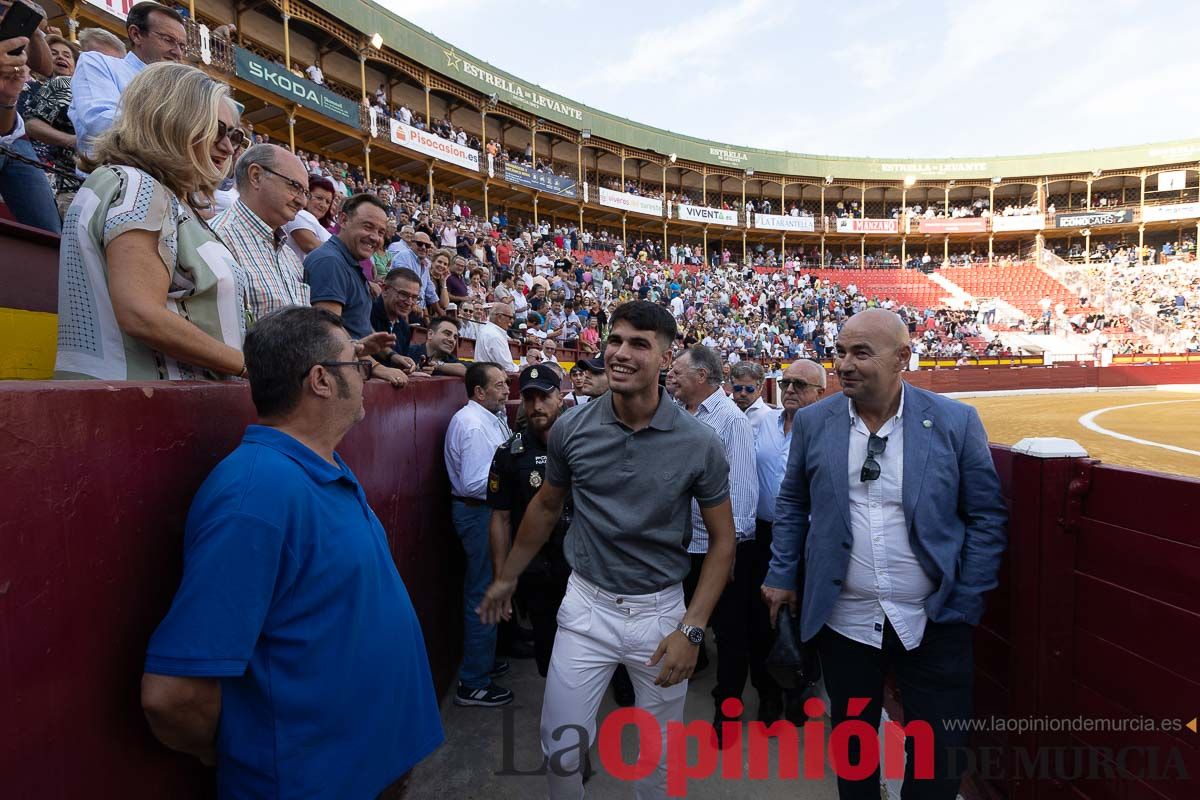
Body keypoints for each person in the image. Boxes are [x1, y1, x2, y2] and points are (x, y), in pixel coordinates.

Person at [140, 306, 444, 798]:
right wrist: (238, 754)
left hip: (362, 764)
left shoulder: (312, 465)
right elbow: (172, 696)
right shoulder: (255, 495)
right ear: (321, 380)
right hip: (311, 780)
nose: (366, 373)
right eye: (355, 363)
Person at [479, 301, 737, 800]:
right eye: (614, 340)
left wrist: (692, 629)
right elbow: (547, 506)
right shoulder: (571, 428)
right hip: (586, 607)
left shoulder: (700, 443)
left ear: (666, 357)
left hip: (661, 615)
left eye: (639, 343)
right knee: (560, 749)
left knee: (658, 764)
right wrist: (508, 575)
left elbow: (723, 541)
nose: (620, 352)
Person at [762, 309, 1008, 800]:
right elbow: (792, 502)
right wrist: (782, 572)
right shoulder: (814, 422)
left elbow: (986, 515)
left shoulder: (955, 421)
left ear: (902, 358)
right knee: (854, 759)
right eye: (840, 352)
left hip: (934, 619)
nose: (845, 365)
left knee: (938, 766)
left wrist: (964, 601)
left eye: (861, 353)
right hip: (844, 620)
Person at [54, 63, 247, 381]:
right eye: (217, 129)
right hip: (139, 409)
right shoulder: (139, 185)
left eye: (236, 135)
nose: (228, 146)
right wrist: (248, 367)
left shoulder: (146, 189)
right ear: (172, 119)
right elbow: (141, 314)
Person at [667, 345, 760, 740]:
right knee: (685, 621)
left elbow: (741, 492)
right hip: (684, 545)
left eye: (677, 372)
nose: (670, 378)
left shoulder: (731, 422)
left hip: (717, 549)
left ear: (701, 377)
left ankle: (727, 711)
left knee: (731, 633)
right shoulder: (680, 413)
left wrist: (732, 548)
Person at [749, 358, 826, 723]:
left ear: (820, 392)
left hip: (811, 539)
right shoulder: (762, 422)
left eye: (800, 384)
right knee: (760, 616)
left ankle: (799, 691)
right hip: (764, 534)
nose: (790, 389)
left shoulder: (829, 431)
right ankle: (767, 696)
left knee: (805, 617)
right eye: (785, 383)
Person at [486, 364, 572, 677]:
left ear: (559, 397)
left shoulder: (583, 443)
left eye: (544, 397)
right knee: (549, 654)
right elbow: (501, 518)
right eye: (529, 398)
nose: (537, 406)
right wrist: (502, 577)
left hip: (585, 568)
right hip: (539, 572)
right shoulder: (510, 453)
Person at [445, 362, 515, 707]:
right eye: (500, 385)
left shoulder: (487, 417)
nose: (506, 390)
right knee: (484, 590)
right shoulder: (473, 425)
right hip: (479, 514)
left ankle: (482, 662)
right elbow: (475, 483)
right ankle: (473, 681)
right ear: (479, 391)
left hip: (484, 513)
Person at [304, 193, 408, 387]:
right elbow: (330, 332)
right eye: (367, 226)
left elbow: (356, 323)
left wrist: (390, 355)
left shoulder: (350, 262)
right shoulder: (330, 262)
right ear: (343, 220)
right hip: (336, 378)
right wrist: (377, 368)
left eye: (380, 231)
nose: (375, 237)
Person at [70, 2, 185, 162]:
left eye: (181, 46)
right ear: (136, 34)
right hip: (112, 179)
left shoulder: (181, 89)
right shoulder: (98, 63)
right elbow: (100, 122)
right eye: (168, 40)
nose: (177, 52)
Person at [212, 144, 310, 322]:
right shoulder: (217, 239)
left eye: (306, 193)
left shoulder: (289, 257)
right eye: (295, 186)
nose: (302, 201)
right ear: (256, 176)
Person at [369, 267, 421, 371]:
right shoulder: (366, 314)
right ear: (385, 289)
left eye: (414, 297)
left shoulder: (404, 328)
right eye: (403, 294)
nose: (409, 302)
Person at [282, 174, 335, 259]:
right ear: (306, 195)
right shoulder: (299, 215)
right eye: (319, 198)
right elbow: (311, 246)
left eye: (328, 202)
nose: (323, 205)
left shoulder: (319, 223)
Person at [474, 303, 518, 373]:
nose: (511, 321)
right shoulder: (495, 336)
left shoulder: (487, 329)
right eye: (510, 317)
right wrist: (520, 367)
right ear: (499, 318)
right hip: (491, 379)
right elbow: (507, 368)